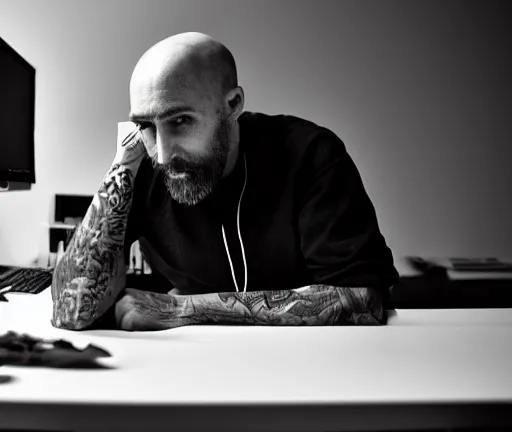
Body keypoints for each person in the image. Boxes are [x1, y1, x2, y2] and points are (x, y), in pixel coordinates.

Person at [51, 32, 399, 331]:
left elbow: (364, 301)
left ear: (232, 105)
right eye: (146, 125)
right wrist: (123, 161)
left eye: (181, 120)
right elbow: (71, 312)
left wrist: (184, 310)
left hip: (313, 371)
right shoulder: (143, 167)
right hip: (195, 372)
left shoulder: (310, 155)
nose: (162, 153)